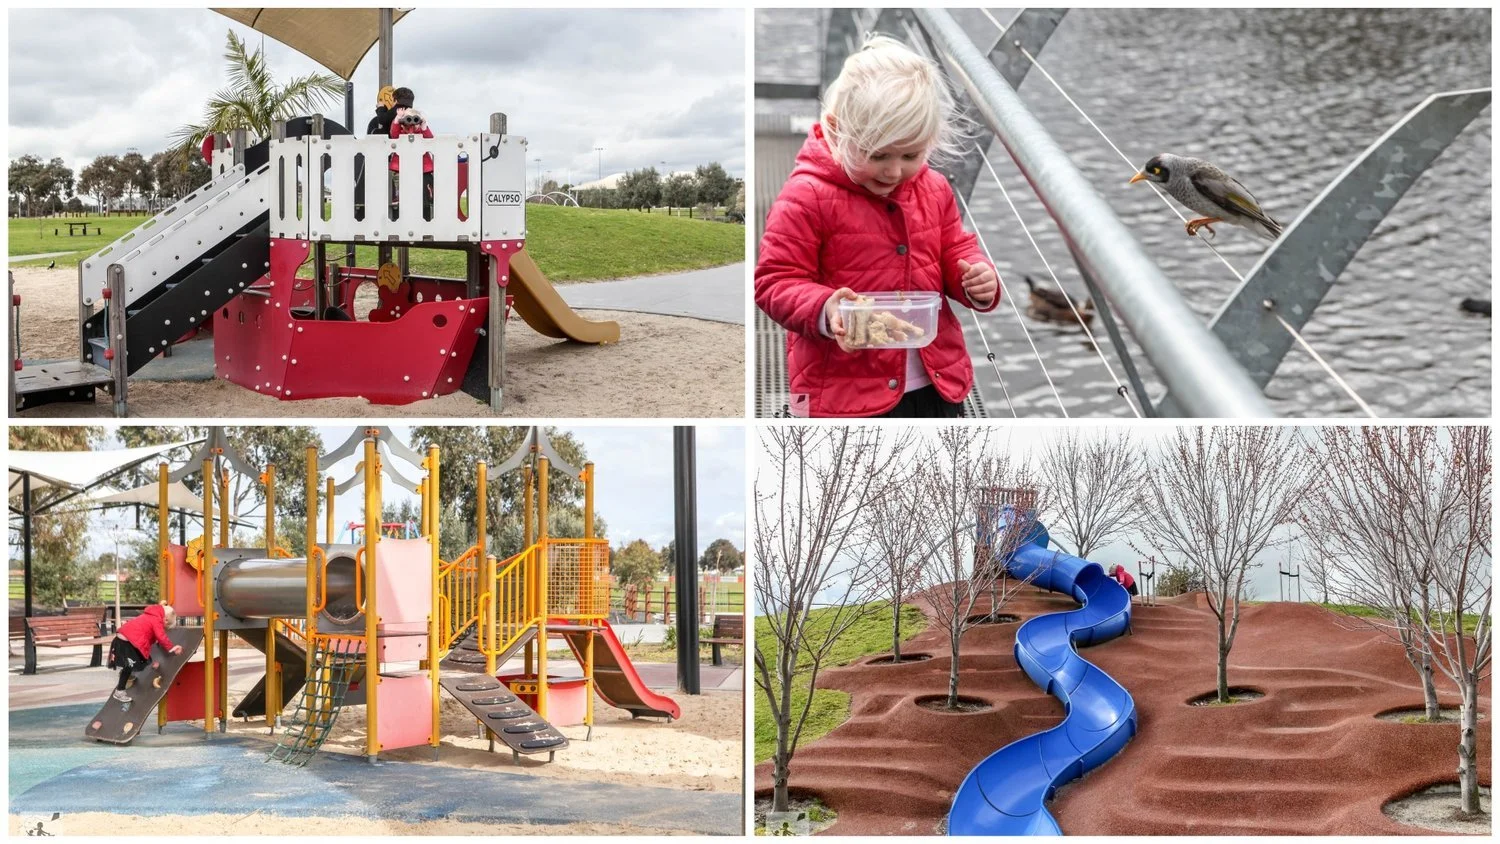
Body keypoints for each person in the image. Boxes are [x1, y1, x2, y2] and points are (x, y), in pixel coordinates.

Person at [754, 35, 1000, 418]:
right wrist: (826, 308)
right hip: (843, 393)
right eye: (878, 154)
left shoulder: (933, 187)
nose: (894, 170)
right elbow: (774, 281)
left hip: (936, 382)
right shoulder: (807, 196)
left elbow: (955, 248)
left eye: (910, 155)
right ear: (837, 131)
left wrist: (976, 279)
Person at [107, 602, 181, 702]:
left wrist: (158, 641)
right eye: (165, 627)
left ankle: (127, 675)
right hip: (127, 642)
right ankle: (120, 691)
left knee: (135, 663)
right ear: (166, 620)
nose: (163, 629)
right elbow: (161, 636)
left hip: (121, 640)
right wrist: (171, 647)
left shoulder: (150, 615)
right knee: (139, 662)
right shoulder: (156, 620)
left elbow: (149, 634)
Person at [388, 87, 435, 218]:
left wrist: (423, 126)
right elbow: (393, 133)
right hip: (403, 168)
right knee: (402, 194)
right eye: (407, 121)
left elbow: (430, 140)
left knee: (423, 196)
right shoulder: (400, 133)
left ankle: (425, 211)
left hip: (422, 169)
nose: (410, 125)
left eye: (414, 121)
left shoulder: (421, 132)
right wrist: (398, 119)